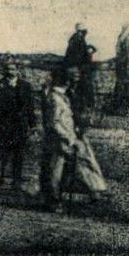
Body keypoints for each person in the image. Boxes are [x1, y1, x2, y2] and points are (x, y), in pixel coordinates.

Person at [0, 61, 37, 187]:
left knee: (19, 152)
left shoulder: (26, 86)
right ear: (4, 71)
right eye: (8, 69)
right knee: (3, 150)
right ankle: (0, 175)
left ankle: (16, 179)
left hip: (20, 124)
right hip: (3, 123)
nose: (10, 72)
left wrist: (32, 124)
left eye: (13, 69)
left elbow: (30, 107)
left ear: (18, 70)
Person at [40, 70, 80, 212]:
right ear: (66, 82)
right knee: (54, 171)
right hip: (57, 140)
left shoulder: (61, 97)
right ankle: (53, 202)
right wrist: (68, 137)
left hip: (62, 140)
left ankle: (54, 199)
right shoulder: (56, 98)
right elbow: (54, 122)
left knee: (58, 171)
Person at [63, 23, 95, 123]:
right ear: (82, 31)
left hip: (74, 69)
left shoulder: (75, 39)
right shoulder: (78, 40)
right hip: (77, 70)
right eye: (85, 31)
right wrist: (89, 53)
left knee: (76, 91)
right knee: (80, 91)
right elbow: (79, 57)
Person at [108, 23, 129, 115]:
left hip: (125, 69)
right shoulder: (127, 41)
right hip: (126, 70)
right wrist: (128, 68)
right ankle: (122, 110)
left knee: (121, 89)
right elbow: (127, 57)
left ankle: (120, 110)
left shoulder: (126, 40)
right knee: (124, 90)